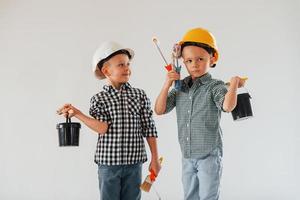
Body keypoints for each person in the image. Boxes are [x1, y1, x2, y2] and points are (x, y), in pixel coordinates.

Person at [57, 41, 161, 200]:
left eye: (128, 64)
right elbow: (102, 128)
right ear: (106, 70)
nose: (127, 68)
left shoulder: (139, 95)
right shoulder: (99, 99)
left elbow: (149, 128)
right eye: (121, 65)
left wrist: (155, 158)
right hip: (108, 165)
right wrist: (77, 113)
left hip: (134, 164)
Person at [154, 27, 246, 200]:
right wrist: (167, 83)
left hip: (209, 156)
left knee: (208, 197)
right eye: (188, 60)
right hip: (187, 155)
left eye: (200, 59)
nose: (194, 64)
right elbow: (159, 109)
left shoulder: (215, 87)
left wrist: (233, 84)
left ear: (212, 59)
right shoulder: (180, 88)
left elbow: (227, 106)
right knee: (190, 196)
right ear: (182, 61)